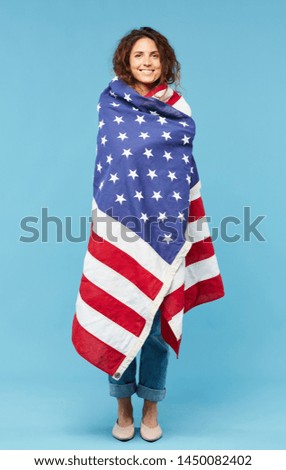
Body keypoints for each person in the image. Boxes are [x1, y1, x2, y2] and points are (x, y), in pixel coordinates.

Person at [71, 26, 224, 443]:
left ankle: (152, 408)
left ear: (164, 61)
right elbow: (110, 167)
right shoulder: (112, 104)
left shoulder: (179, 108)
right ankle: (123, 408)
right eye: (139, 54)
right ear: (126, 60)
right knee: (119, 310)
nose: (147, 62)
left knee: (156, 325)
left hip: (167, 228)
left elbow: (182, 171)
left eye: (154, 55)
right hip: (120, 228)